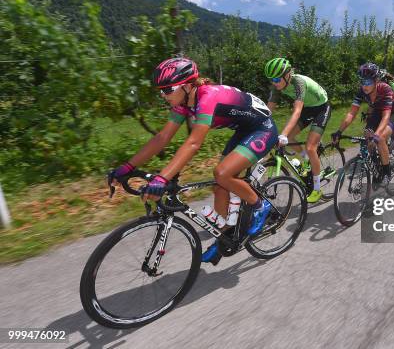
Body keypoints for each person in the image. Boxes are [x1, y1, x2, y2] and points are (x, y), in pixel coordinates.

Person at [107, 57, 277, 266]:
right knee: (219, 187)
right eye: (161, 90)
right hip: (244, 129)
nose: (163, 95)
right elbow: (162, 138)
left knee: (222, 174)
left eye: (168, 90)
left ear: (187, 86)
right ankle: (225, 236)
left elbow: (194, 143)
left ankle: (260, 205)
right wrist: (127, 167)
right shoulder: (183, 102)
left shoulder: (207, 98)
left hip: (262, 128)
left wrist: (161, 178)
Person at [265, 57, 331, 203]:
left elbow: (296, 111)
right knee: (292, 138)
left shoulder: (298, 82)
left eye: (276, 79)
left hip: (321, 108)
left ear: (287, 75)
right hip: (308, 109)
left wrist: (283, 134)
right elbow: (268, 109)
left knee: (310, 147)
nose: (274, 83)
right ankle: (306, 160)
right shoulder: (276, 86)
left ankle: (317, 189)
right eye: (271, 80)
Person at [332, 62, 394, 185]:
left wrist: (377, 136)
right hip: (378, 111)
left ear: (376, 81)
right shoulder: (361, 91)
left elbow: (386, 116)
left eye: (368, 82)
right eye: (362, 81)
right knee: (367, 134)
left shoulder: (384, 89)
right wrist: (339, 131)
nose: (364, 86)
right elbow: (351, 113)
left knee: (379, 137)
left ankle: (386, 172)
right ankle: (377, 169)